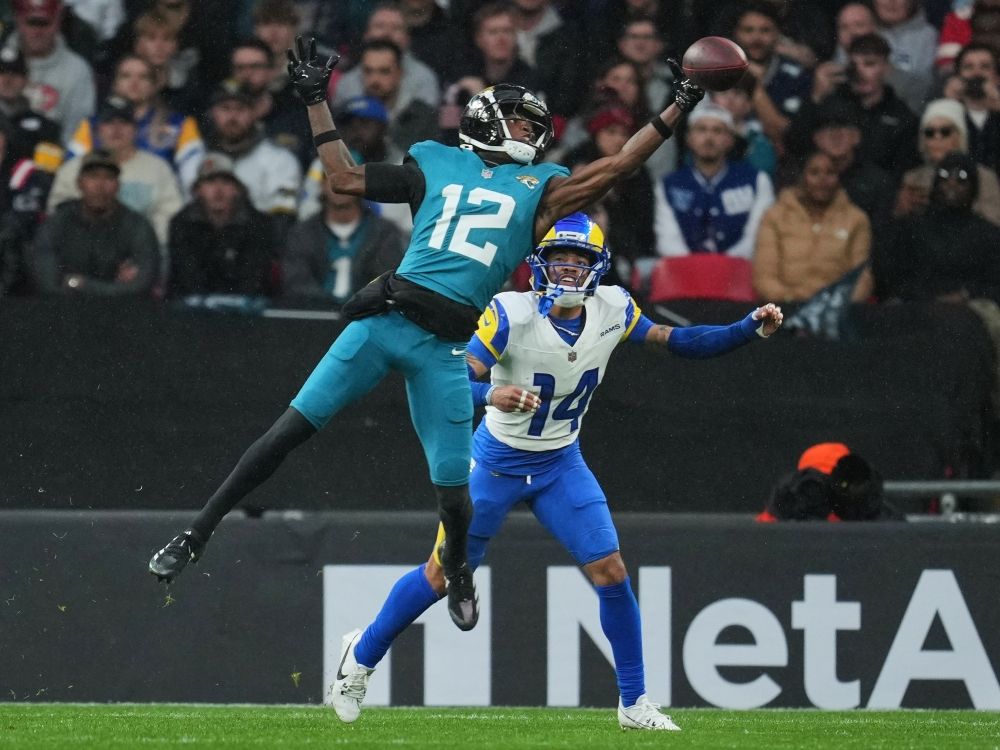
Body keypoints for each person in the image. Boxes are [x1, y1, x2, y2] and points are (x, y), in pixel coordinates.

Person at [147, 35, 707, 634]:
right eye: (517, 121)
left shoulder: (540, 190)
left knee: (452, 490)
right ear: (486, 120)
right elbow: (343, 179)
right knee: (287, 431)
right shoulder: (434, 161)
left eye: (531, 124)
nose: (528, 132)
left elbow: (618, 165)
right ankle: (196, 532)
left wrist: (678, 105)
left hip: (444, 348)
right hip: (383, 323)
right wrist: (315, 99)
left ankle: (458, 568)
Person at [327, 212, 784, 729]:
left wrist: (748, 328)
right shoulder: (509, 314)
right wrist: (491, 393)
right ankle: (359, 656)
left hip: (560, 461)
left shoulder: (614, 308)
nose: (568, 270)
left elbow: (681, 342)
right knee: (439, 576)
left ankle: (633, 703)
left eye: (579, 260)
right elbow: (448, 380)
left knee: (611, 570)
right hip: (496, 462)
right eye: (559, 259)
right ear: (538, 264)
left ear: (597, 267)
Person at [27, 148, 158, 295]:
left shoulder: (136, 226)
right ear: (79, 183)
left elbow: (141, 286)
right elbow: (47, 284)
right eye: (93, 176)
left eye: (108, 178)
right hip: (65, 312)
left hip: (121, 314)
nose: (100, 186)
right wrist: (111, 288)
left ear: (118, 185)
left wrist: (77, 283)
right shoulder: (57, 223)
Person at [654, 102, 774, 259]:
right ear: (689, 138)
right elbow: (668, 241)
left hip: (739, 273)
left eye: (717, 131)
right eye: (701, 129)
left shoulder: (757, 181)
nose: (709, 137)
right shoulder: (669, 184)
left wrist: (719, 267)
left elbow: (756, 238)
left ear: (730, 139)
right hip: (683, 274)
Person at [752, 150, 874, 303]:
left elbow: (861, 278)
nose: (822, 180)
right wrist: (792, 299)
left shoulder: (856, 219)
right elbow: (764, 276)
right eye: (814, 173)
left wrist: (834, 304)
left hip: (835, 312)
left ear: (839, 178)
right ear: (802, 178)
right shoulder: (775, 216)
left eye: (830, 173)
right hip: (785, 308)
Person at [167, 152, 275, 298]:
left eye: (225, 182)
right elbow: (187, 278)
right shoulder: (181, 223)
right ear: (197, 191)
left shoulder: (258, 224)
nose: (218, 190)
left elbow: (254, 279)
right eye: (210, 182)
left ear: (236, 189)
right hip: (194, 311)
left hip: (244, 311)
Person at [282, 178, 405, 303]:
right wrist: (325, 305)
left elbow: (387, 281)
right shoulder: (302, 233)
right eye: (333, 177)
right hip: (314, 316)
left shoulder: (384, 233)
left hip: (367, 317)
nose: (341, 185)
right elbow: (296, 282)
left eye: (348, 178)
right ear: (322, 185)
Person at [896, 97, 1000, 225]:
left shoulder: (985, 178)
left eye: (945, 132)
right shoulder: (913, 179)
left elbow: (994, 225)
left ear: (959, 136)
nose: (937, 138)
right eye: (930, 132)